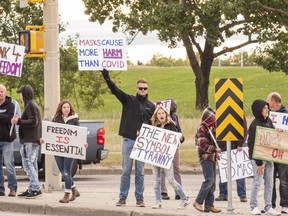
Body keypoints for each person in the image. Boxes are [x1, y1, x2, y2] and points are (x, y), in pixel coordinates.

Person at [100, 69, 155, 207]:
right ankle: (122, 197)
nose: (142, 90)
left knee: (140, 172)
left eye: (145, 88)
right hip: (129, 140)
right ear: (136, 89)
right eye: (140, 88)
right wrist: (107, 78)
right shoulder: (128, 100)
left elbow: (157, 124)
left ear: (147, 89)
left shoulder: (151, 106)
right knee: (125, 170)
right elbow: (115, 90)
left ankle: (139, 198)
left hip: (143, 143)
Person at [150, 106, 190, 209]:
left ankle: (185, 198)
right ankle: (158, 201)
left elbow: (175, 142)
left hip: (166, 157)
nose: (161, 115)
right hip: (155, 157)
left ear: (166, 114)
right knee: (156, 180)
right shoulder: (154, 127)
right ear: (156, 116)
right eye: (159, 113)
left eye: (163, 113)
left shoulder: (171, 126)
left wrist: (171, 155)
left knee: (171, 179)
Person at [248, 99, 281, 215]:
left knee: (270, 183)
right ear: (258, 110)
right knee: (257, 182)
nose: (267, 110)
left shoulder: (269, 122)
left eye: (267, 108)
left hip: (269, 158)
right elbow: (252, 146)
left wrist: (279, 132)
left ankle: (268, 207)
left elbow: (272, 137)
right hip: (258, 159)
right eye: (264, 109)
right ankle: (253, 206)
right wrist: (259, 163)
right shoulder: (254, 125)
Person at [51, 99, 88, 203]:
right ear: (61, 109)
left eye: (68, 107)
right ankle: (74, 189)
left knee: (67, 172)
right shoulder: (56, 119)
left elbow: (79, 134)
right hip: (58, 149)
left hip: (70, 150)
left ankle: (67, 194)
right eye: (64, 107)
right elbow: (51, 133)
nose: (66, 109)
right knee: (63, 172)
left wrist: (83, 143)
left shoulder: (74, 119)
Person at [11, 85, 42, 199]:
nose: (19, 95)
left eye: (20, 93)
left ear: (24, 94)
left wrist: (18, 121)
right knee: (32, 164)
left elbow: (33, 121)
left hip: (30, 140)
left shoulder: (30, 105)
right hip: (33, 139)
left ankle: (36, 188)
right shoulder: (31, 104)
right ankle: (32, 188)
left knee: (27, 163)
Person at [193, 107, 222, 213]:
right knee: (209, 180)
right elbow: (202, 144)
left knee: (213, 182)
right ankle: (198, 201)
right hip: (205, 158)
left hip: (212, 157)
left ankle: (209, 205)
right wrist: (214, 149)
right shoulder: (202, 129)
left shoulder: (212, 129)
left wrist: (215, 153)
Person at [215, 118, 248, 203]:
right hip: (223, 145)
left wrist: (241, 143)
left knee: (239, 171)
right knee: (224, 171)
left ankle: (242, 194)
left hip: (236, 145)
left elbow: (244, 129)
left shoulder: (239, 111)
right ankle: (223, 194)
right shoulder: (220, 111)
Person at [267, 92, 288, 213]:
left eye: (268, 100)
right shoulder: (267, 114)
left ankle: (285, 205)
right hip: (270, 151)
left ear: (274, 102)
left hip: (283, 152)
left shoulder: (286, 115)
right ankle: (271, 205)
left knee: (284, 180)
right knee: (270, 179)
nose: (267, 103)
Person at [161, 99, 184, 200]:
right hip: (164, 146)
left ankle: (178, 191)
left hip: (174, 146)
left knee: (176, 169)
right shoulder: (161, 117)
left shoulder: (175, 117)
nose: (176, 107)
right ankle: (163, 192)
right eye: (174, 105)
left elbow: (179, 130)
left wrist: (181, 137)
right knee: (163, 169)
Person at [0, 84, 18, 197]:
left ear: (5, 93)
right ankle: (1, 189)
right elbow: (6, 118)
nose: (0, 94)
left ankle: (12, 188)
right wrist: (4, 117)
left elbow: (11, 119)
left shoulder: (11, 105)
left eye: (1, 91)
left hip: (7, 140)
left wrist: (4, 118)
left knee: (8, 164)